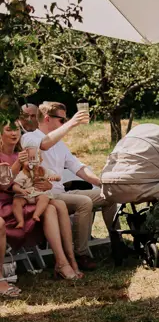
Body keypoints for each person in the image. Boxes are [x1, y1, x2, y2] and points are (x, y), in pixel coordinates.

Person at [20, 102, 114, 271]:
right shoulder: (30, 137)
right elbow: (44, 145)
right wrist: (72, 123)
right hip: (43, 195)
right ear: (47, 119)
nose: (65, 123)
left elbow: (78, 167)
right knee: (84, 202)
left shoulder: (60, 144)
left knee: (109, 195)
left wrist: (102, 182)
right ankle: (81, 254)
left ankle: (116, 242)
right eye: (62, 120)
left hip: (60, 192)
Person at [0, 123, 83, 281]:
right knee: (50, 209)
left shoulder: (22, 153)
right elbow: (4, 184)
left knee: (59, 205)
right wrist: (18, 164)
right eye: (8, 130)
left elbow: (37, 177)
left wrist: (47, 184)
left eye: (16, 129)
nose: (13, 133)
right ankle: (62, 262)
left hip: (26, 197)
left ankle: (71, 259)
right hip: (6, 204)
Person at [12, 159, 58, 228]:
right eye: (28, 161)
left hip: (37, 194)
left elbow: (58, 177)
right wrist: (21, 190)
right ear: (23, 162)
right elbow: (15, 186)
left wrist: (55, 177)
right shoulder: (22, 174)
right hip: (25, 195)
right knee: (16, 202)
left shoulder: (43, 170)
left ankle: (36, 214)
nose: (31, 163)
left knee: (44, 198)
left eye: (34, 160)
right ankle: (20, 221)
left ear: (40, 161)